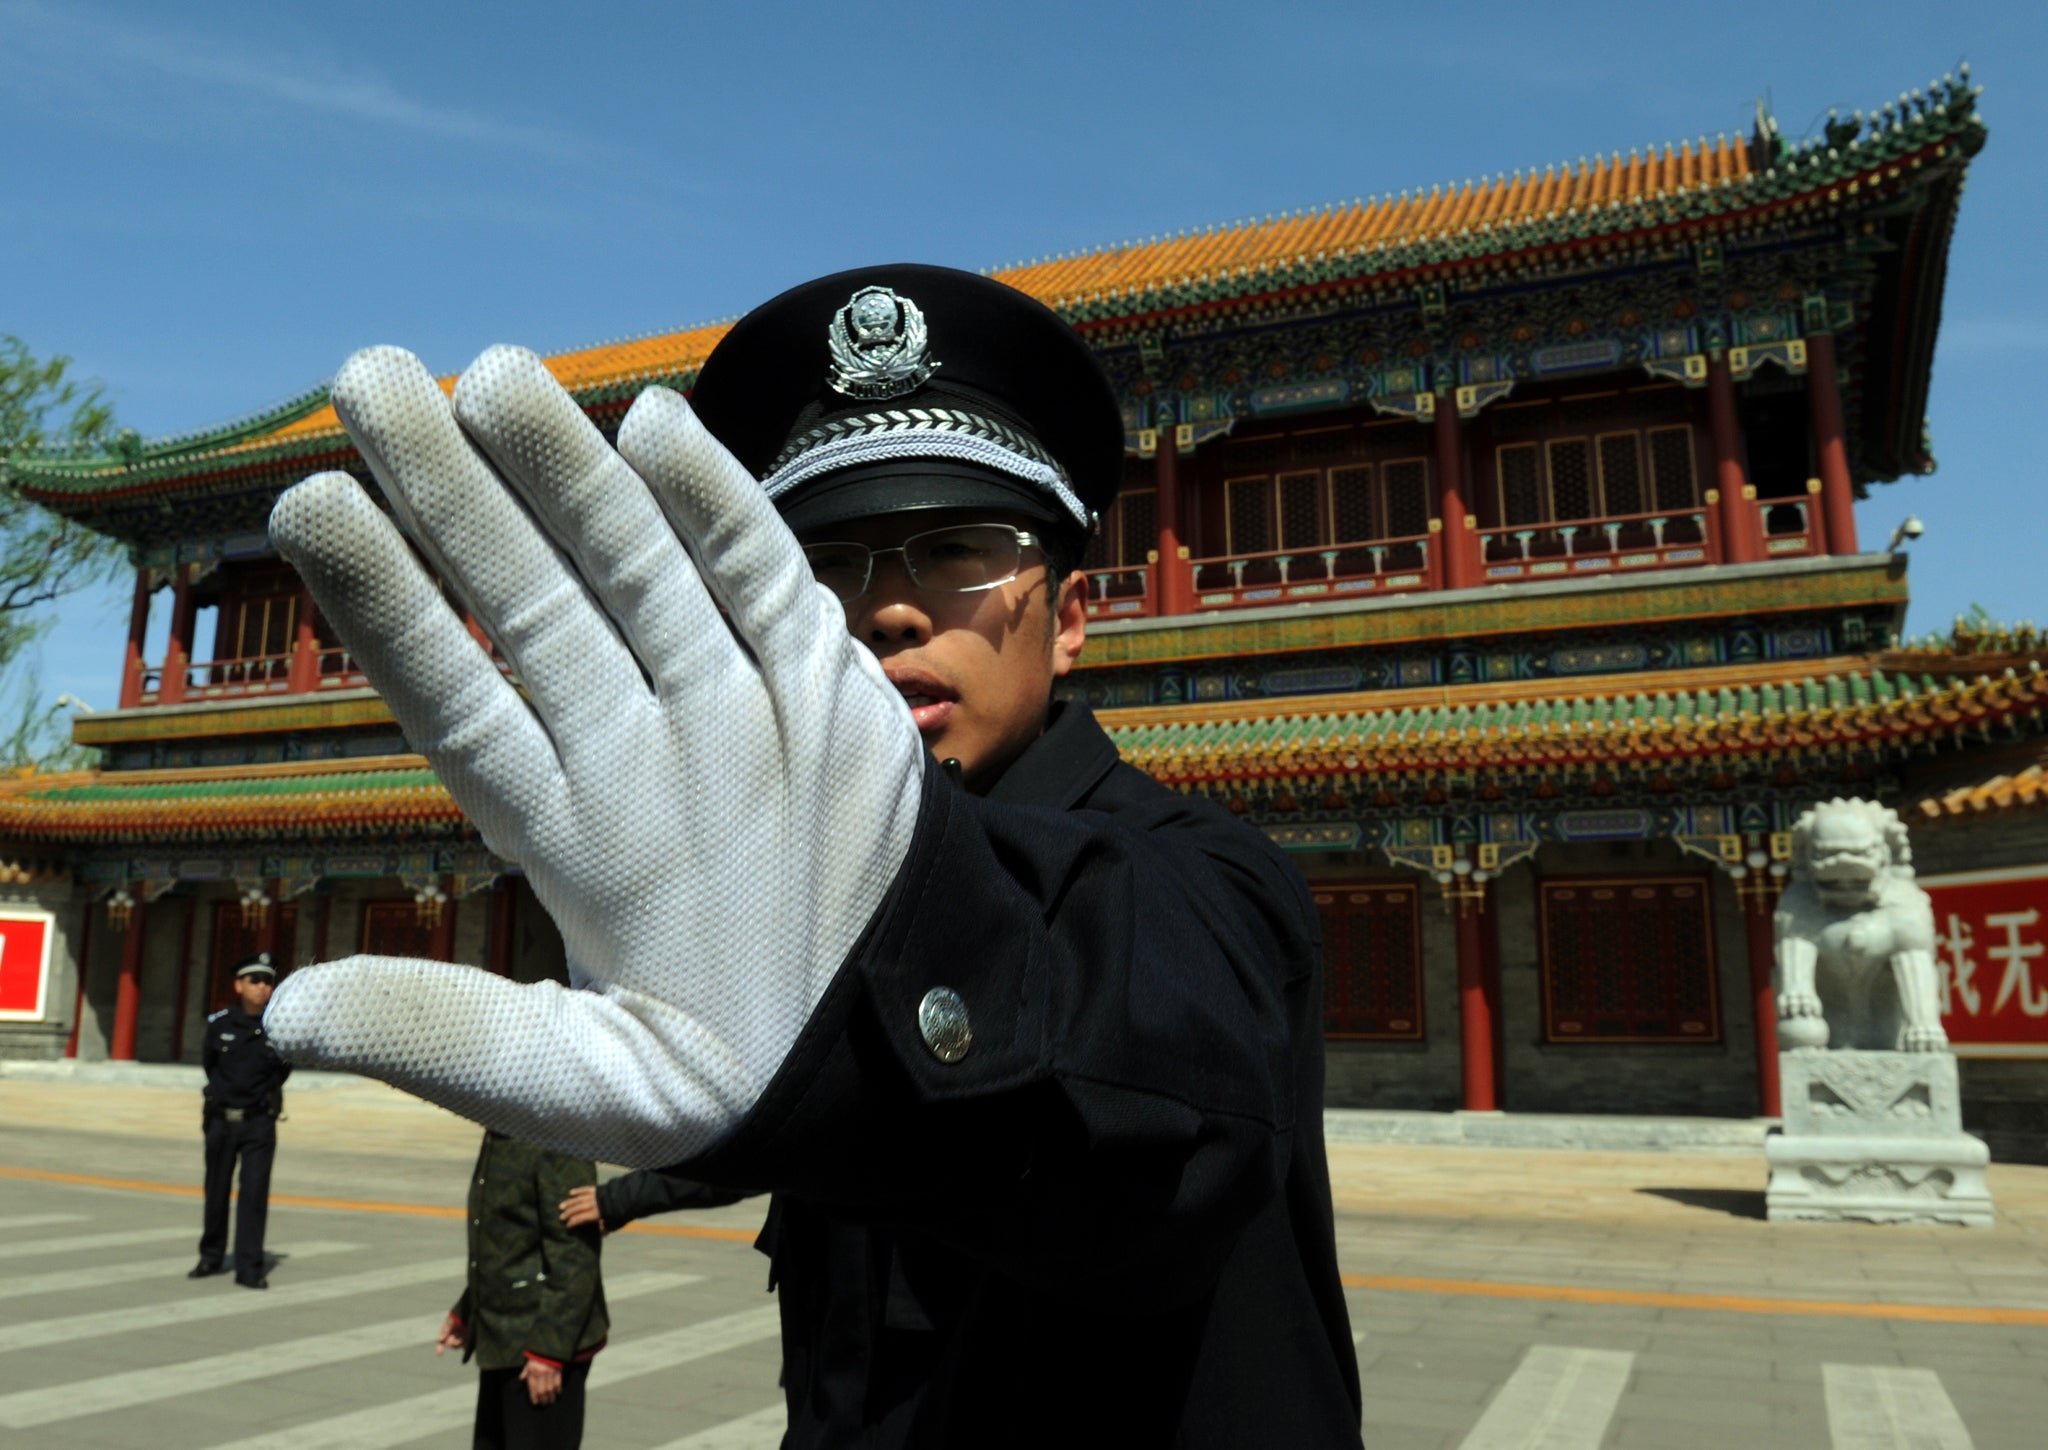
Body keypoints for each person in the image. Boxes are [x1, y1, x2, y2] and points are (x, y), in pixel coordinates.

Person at [263, 264, 1363, 1445]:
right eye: (823, 564)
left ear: (1074, 615)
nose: (886, 610)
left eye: (958, 550)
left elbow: (1174, 1105)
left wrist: (907, 933)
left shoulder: (1209, 876)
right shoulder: (764, 897)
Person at [438, 1131, 609, 1450]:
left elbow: (574, 1254)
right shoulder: (503, 1131)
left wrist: (549, 1352)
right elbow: (507, 1242)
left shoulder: (555, 1137)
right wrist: (469, 1308)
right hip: (503, 1336)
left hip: (541, 1345)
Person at [191, 951, 290, 1289]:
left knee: (253, 1194)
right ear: (238, 985)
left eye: (267, 981)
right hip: (221, 1119)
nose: (262, 987)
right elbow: (209, 1065)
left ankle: (249, 1266)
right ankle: (211, 1256)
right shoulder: (220, 1024)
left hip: (258, 1121)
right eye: (255, 980)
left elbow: (281, 1072)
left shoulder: (278, 1028)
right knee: (216, 1189)